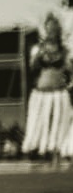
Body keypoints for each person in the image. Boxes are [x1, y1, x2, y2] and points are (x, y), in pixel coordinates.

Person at [21, 11, 73, 166]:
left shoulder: (65, 51)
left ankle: (58, 152)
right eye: (49, 28)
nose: (52, 31)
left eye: (54, 27)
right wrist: (39, 54)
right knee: (38, 124)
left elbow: (70, 71)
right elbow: (32, 69)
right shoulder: (38, 49)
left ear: (59, 30)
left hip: (59, 93)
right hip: (41, 93)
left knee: (59, 123)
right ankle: (37, 151)